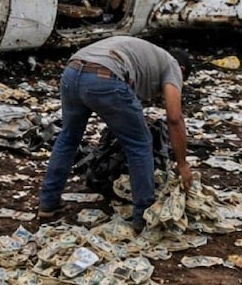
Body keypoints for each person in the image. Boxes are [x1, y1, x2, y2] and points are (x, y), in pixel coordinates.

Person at [38, 36, 192, 232]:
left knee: (68, 137)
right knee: (140, 144)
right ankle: (143, 215)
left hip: (72, 71)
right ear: (182, 71)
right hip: (104, 76)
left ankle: (48, 204)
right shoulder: (172, 66)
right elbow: (174, 116)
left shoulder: (148, 55)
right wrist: (182, 164)